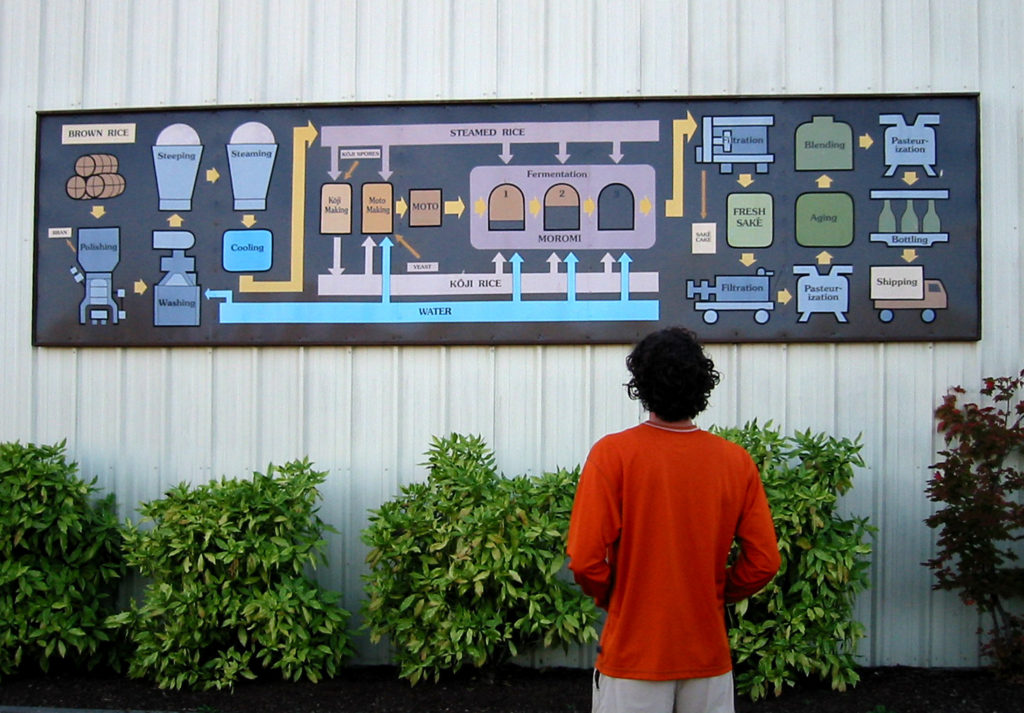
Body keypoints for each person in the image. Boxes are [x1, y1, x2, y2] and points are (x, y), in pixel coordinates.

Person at [567, 327, 781, 713]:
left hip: (633, 654)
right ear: (703, 386)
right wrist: (713, 593)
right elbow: (764, 562)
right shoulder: (735, 462)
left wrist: (618, 597)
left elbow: (584, 560)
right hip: (707, 656)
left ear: (640, 385)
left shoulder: (612, 455)